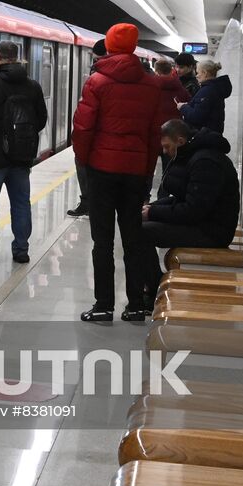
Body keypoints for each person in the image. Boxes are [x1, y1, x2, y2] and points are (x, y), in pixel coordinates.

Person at [71, 23, 169, 323]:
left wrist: (85, 163)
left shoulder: (97, 82)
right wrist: (148, 166)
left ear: (110, 46)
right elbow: (156, 133)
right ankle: (137, 305)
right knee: (133, 238)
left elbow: (83, 129)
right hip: (136, 172)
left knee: (102, 241)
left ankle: (103, 305)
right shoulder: (152, 84)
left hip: (102, 170)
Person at [0, 41, 47, 265]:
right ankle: (21, 250)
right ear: (17, 57)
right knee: (21, 203)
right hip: (21, 158)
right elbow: (40, 119)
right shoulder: (32, 86)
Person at [141, 119, 241, 291]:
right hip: (204, 223)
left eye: (167, 147)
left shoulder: (205, 162)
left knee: (140, 233)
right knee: (138, 225)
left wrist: (153, 213)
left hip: (212, 232)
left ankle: (153, 289)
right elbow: (183, 197)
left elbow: (192, 210)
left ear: (180, 141)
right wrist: (152, 207)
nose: (165, 152)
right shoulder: (194, 155)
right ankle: (152, 285)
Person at [66, 39, 109, 218]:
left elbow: (86, 114)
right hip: (130, 142)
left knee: (84, 164)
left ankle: (88, 203)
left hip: (99, 135)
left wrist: (79, 144)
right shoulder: (144, 76)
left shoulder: (97, 77)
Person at [179, 60, 232, 135]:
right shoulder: (215, 88)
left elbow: (196, 116)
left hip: (204, 137)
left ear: (205, 73)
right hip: (212, 134)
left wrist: (183, 107)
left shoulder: (207, 91)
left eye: (198, 72)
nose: (196, 76)